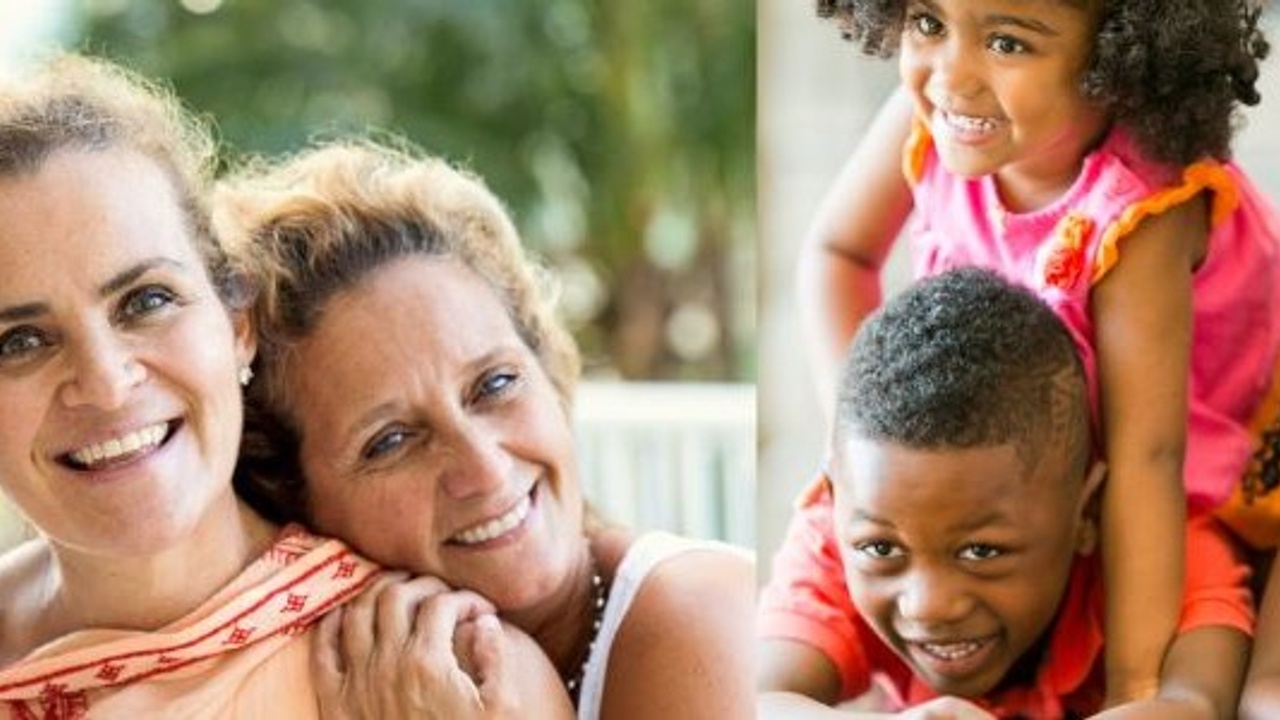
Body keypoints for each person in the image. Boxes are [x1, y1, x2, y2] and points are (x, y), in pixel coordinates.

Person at [797, 0, 1280, 704]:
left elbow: (1149, 456)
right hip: (1028, 462)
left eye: (1006, 42)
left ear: (1117, 60)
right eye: (929, 23)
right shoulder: (934, 114)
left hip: (1197, 470)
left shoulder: (1142, 211)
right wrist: (866, 448)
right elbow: (836, 253)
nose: (952, 75)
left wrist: (1133, 687)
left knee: (1220, 658)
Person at [212, 139, 756, 719]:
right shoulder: (331, 680)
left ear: (547, 370)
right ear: (290, 502)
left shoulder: (700, 614)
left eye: (495, 385)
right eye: (392, 441)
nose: (485, 467)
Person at [0, 54, 386, 717]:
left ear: (237, 323)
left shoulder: (435, 673)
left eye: (146, 301)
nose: (106, 384)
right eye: (20, 342)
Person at [760, 268, 1255, 718]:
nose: (928, 606)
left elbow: (1196, 703)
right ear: (833, 498)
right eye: (882, 550)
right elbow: (755, 700)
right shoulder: (834, 536)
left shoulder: (1163, 550)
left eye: (981, 551)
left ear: (1087, 513)